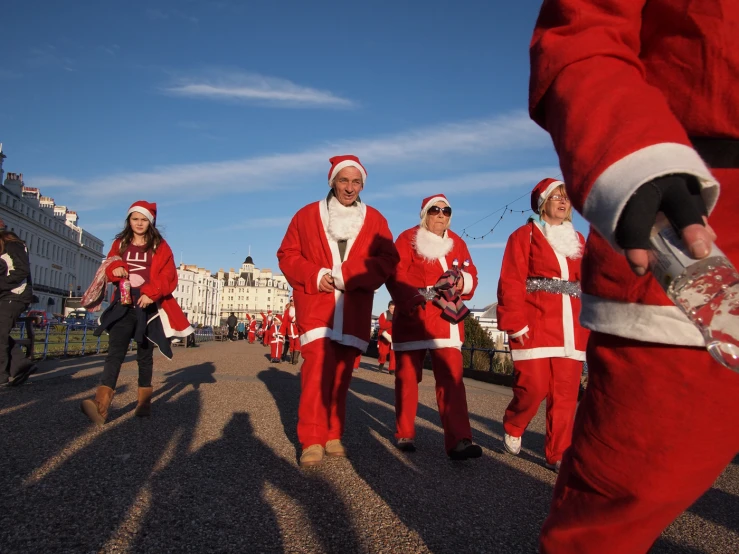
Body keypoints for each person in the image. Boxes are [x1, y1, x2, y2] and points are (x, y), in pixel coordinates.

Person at [529, 3, 739, 552]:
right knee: (628, 487)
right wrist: (633, 155)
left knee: (565, 404)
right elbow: (583, 30)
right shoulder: (519, 240)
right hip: (693, 226)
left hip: (567, 321)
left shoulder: (568, 239)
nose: (557, 205)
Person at [277, 154, 399, 467]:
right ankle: (312, 438)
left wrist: (354, 274)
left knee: (342, 374)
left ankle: (332, 433)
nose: (349, 187)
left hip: (354, 307)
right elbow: (287, 254)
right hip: (316, 304)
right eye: (343, 180)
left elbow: (388, 260)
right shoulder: (306, 216)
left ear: (362, 185)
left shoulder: (375, 220)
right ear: (332, 182)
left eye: (355, 181)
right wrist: (316, 275)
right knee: (317, 369)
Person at [497, 179, 588, 473]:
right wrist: (514, 322)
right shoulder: (524, 235)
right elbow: (511, 279)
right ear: (542, 203)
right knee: (533, 387)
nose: (563, 202)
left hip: (571, 327)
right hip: (533, 323)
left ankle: (558, 452)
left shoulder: (579, 240)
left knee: (565, 395)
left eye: (567, 197)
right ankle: (515, 422)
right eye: (556, 197)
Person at [387, 194, 482, 460]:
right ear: (425, 213)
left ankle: (460, 440)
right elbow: (396, 272)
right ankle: (405, 432)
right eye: (435, 210)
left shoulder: (457, 242)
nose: (441, 214)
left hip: (445, 318)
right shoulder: (407, 238)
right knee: (407, 378)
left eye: (446, 210)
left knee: (452, 379)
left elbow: (471, 271)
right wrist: (410, 300)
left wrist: (463, 281)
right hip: (413, 314)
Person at [80, 201, 193, 424]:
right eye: (135, 219)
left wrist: (151, 292)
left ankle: (143, 404)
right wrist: (116, 268)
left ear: (150, 222)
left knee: (144, 355)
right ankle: (101, 406)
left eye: (143, 219)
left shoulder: (160, 246)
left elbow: (169, 275)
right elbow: (109, 264)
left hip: (148, 307)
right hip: (123, 305)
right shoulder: (120, 243)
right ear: (129, 221)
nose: (139, 223)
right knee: (115, 353)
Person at [0, 218, 35, 387]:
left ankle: (2, 375)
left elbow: (22, 270)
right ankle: (21, 365)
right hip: (7, 295)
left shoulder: (13, 245)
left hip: (16, 295)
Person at [376, 300, 396, 374]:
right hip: (384, 336)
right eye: (391, 308)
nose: (393, 310)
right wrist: (391, 323)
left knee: (393, 354)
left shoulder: (398, 315)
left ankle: (392, 369)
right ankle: (381, 362)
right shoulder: (384, 314)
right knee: (383, 353)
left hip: (394, 336)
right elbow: (382, 325)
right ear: (388, 307)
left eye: (394, 308)